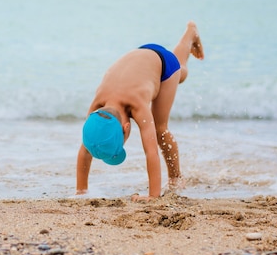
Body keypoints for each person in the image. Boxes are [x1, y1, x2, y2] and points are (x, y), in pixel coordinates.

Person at [76, 21, 204, 201]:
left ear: (126, 127)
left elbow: (151, 151)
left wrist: (153, 195)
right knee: (180, 68)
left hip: (163, 65)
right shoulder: (97, 108)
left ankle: (175, 177)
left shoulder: (137, 106)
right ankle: (190, 36)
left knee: (160, 129)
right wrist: (81, 191)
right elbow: (86, 147)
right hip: (140, 56)